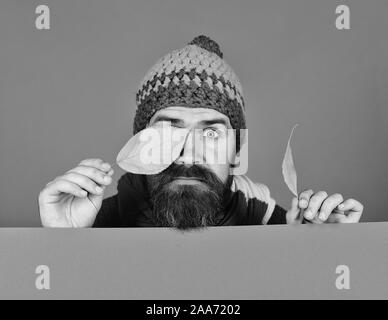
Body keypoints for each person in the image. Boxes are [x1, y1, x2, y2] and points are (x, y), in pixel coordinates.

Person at [38, 35, 364, 230]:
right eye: (168, 130)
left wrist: (320, 249)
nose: (188, 153)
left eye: (210, 134)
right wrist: (63, 242)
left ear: (237, 151)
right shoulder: (97, 221)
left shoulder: (268, 220)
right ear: (141, 143)